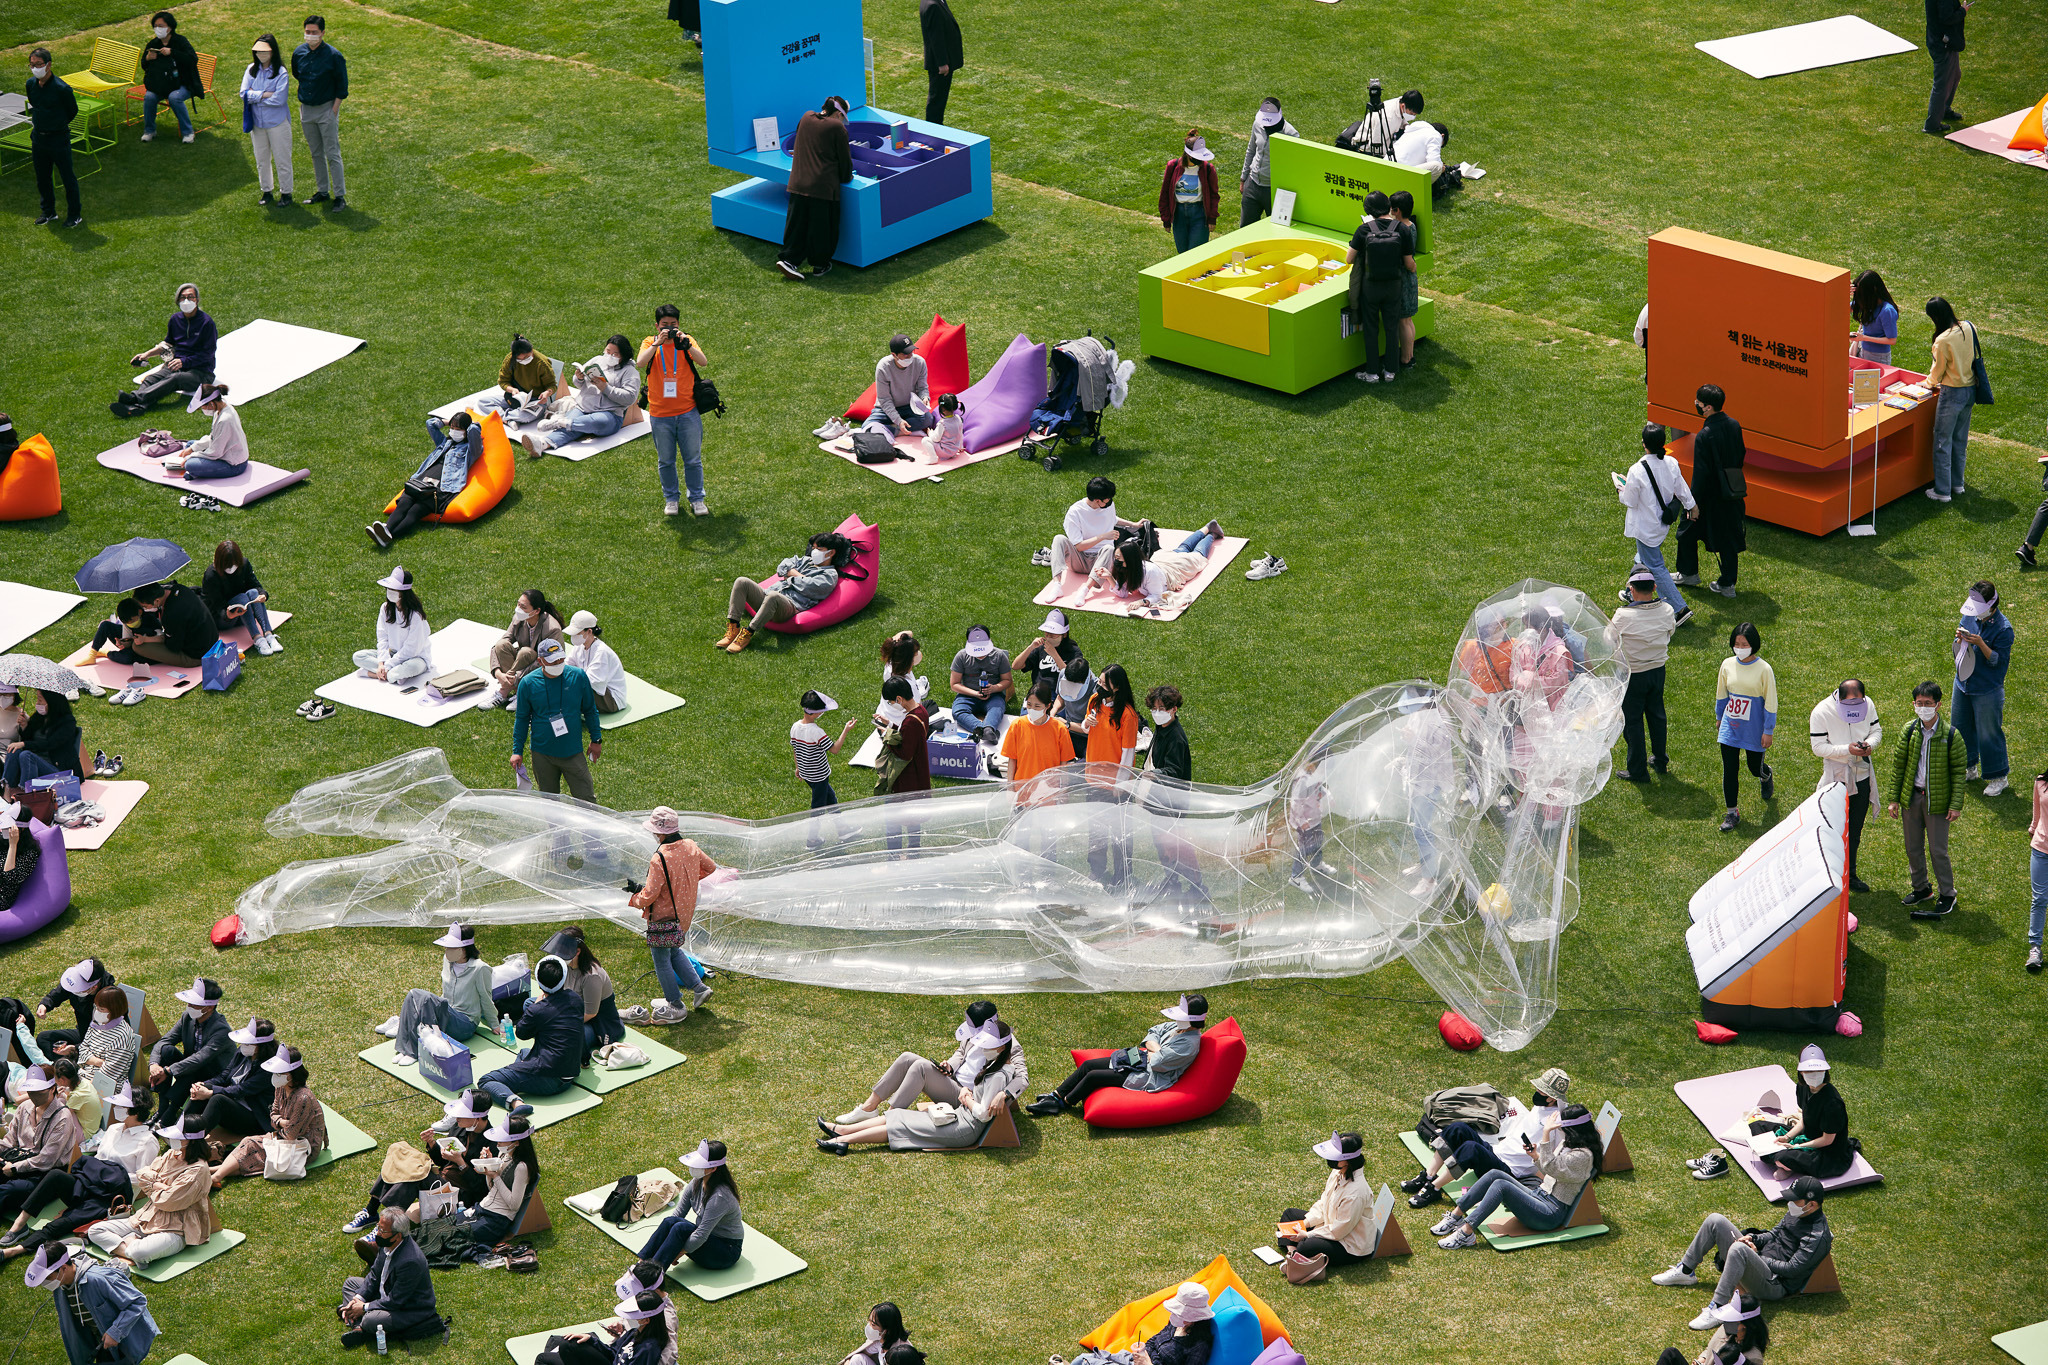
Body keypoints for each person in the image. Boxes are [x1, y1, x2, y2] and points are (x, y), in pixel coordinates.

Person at [818, 1018, 1025, 1153]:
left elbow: (983, 1114)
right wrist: (963, 1088)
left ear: (1002, 1046)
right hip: (961, 1114)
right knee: (898, 1116)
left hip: (964, 1127)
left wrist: (968, 1097)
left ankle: (843, 1142)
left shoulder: (999, 1074)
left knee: (900, 1125)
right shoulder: (995, 1062)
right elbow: (962, 1057)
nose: (982, 1048)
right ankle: (843, 1131)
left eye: (988, 1045)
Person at [1652, 1175, 1833, 1323]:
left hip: (1776, 1284)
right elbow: (1775, 1234)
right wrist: (1754, 1238)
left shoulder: (1817, 1236)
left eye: (1795, 1200)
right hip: (1760, 1260)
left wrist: (1758, 1256)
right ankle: (1686, 1270)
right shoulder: (1798, 1212)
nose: (1789, 1202)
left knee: (1739, 1249)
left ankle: (1717, 1307)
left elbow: (1792, 1270)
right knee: (1716, 1220)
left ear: (1812, 1205)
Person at [1430, 1102, 1604, 1249]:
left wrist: (1546, 1134)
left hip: (1550, 1213)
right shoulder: (1570, 1144)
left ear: (1573, 1129)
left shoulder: (1582, 1156)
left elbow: (1552, 1167)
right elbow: (1550, 1169)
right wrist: (1536, 1156)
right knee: (1494, 1174)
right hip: (1540, 1195)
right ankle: (1455, 1217)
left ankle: (1466, 1233)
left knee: (1501, 1186)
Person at [1403, 1067, 1574, 1209]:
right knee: (1457, 1128)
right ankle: (1428, 1175)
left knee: (1470, 1148)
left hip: (1508, 1170)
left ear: (1552, 1097)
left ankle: (1434, 1188)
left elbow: (1560, 1155)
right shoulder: (1541, 1105)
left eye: (1540, 1090)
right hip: (1497, 1152)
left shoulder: (1558, 1123)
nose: (1536, 1092)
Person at [1027, 994, 1206, 1117]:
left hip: (1152, 1075)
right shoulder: (1177, 1027)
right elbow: (1153, 1032)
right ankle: (1056, 1095)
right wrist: (1155, 1050)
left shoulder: (1188, 1044)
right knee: (1089, 1065)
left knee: (1094, 1076)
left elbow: (1159, 1064)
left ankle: (1062, 1104)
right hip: (1143, 1059)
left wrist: (1154, 1051)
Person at [89, 1106, 217, 1268]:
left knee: (139, 1252)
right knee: (95, 1230)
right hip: (146, 1217)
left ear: (191, 1140)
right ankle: (131, 1247)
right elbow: (143, 1173)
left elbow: (168, 1202)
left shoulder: (197, 1170)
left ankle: (132, 1248)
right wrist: (159, 1185)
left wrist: (153, 1185)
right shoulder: (172, 1154)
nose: (172, 1140)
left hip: (175, 1229)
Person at [622, 809, 717, 1025]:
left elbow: (650, 895)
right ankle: (699, 988)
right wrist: (687, 880)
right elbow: (710, 867)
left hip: (663, 918)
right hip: (683, 915)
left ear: (659, 832)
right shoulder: (691, 846)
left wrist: (635, 897)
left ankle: (675, 1004)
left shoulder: (660, 857)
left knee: (661, 959)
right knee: (674, 949)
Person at [1884, 681, 1966, 918]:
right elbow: (1899, 766)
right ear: (1913, 704)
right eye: (1919, 703)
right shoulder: (1909, 730)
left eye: (1928, 704)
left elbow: (1959, 772)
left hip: (1938, 802)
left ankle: (1947, 894)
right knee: (1913, 848)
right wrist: (1894, 799)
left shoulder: (1952, 735)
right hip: (1912, 798)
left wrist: (1955, 805)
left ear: (1938, 705)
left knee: (1938, 850)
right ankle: (1921, 889)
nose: (1923, 707)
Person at [715, 530, 856, 653]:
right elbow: (783, 565)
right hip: (768, 596)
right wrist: (796, 575)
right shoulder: (806, 561)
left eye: (819, 548)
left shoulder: (829, 575)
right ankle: (733, 627)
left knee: (773, 596)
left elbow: (809, 587)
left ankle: (747, 633)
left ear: (831, 553)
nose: (814, 551)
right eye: (813, 547)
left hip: (788, 607)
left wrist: (791, 576)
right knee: (742, 581)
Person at [23, 1241, 160, 1365]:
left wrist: (115, 1332)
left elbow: (137, 1302)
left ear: (63, 1268)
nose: (46, 1283)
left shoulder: (100, 1279)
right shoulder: (60, 1285)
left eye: (48, 1277)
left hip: (122, 1341)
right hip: (99, 1341)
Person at [479, 955, 582, 1116]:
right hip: (570, 1071)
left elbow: (521, 1033)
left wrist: (535, 1006)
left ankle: (516, 1103)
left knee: (486, 1080)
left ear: (539, 984)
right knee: (524, 1053)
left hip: (550, 1079)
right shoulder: (575, 999)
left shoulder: (537, 1009)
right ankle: (514, 1078)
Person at [384, 924, 499, 1065]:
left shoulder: (480, 968)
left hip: (465, 1024)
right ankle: (405, 1047)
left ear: (463, 949)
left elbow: (486, 998)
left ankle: (414, 1052)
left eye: (451, 948)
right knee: (412, 995)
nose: (446, 951)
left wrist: (495, 1024)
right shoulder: (448, 961)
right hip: (446, 1015)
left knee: (426, 998)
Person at [212, 1044, 325, 1187]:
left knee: (254, 1147)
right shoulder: (280, 1088)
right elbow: (273, 1115)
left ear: (291, 1074)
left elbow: (291, 1135)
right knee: (249, 1144)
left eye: (279, 1072)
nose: (275, 1075)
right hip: (285, 1134)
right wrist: (282, 1122)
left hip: (304, 1145)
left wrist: (279, 1124)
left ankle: (215, 1175)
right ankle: (214, 1173)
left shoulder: (303, 1098)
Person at [1619, 423, 1698, 624]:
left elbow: (1630, 500)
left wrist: (1621, 489)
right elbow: (1681, 489)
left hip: (1646, 527)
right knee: (1642, 558)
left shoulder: (1637, 470)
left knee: (1655, 566)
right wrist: (1692, 506)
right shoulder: (1671, 462)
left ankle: (1680, 609)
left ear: (1645, 444)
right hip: (1662, 524)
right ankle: (1632, 591)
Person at [637, 306, 711, 517]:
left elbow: (703, 362)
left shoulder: (686, 340)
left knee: (693, 460)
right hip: (660, 415)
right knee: (666, 461)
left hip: (688, 412)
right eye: (664, 326)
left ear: (679, 324)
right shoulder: (649, 342)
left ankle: (697, 499)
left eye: (673, 325)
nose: (669, 329)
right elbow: (641, 363)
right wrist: (657, 343)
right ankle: (671, 499)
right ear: (657, 326)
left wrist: (687, 346)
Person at [1607, 569, 1679, 783]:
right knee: (1657, 715)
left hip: (1634, 675)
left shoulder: (1623, 615)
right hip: (1658, 671)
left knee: (1633, 722)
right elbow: (1670, 632)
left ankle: (1638, 771)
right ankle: (1659, 759)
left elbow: (1608, 639)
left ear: (1632, 589)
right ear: (1654, 588)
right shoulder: (1667, 610)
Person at [1673, 384, 1745, 597]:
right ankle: (1727, 584)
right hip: (1731, 493)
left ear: (1708, 407)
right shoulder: (1734, 425)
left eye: (1699, 402)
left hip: (1707, 498)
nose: (1696, 404)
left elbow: (1701, 474)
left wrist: (1691, 503)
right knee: (1728, 539)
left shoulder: (1704, 435)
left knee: (1686, 532)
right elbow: (1740, 454)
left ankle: (1688, 573)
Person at [512, 639, 605, 802]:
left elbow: (590, 710)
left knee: (587, 800)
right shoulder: (527, 684)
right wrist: (517, 751)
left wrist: (596, 739)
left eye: (561, 659)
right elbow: (521, 719)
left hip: (572, 752)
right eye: (553, 661)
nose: (558, 663)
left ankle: (589, 829)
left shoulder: (578, 677)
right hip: (542, 755)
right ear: (540, 661)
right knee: (550, 804)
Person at [1809, 680, 1881, 891]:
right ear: (1839, 699)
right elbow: (1818, 747)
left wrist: (1869, 745)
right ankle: (1828, 875)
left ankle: (1850, 875)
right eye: (1849, 704)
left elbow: (1876, 731)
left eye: (1858, 703)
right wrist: (1847, 750)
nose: (1855, 708)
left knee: (1855, 831)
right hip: (1836, 779)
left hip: (1862, 775)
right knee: (1832, 830)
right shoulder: (1822, 711)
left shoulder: (1868, 705)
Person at [372, 413, 480, 546]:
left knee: (415, 511)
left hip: (442, 488)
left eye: (458, 429)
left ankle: (389, 535)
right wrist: (448, 422)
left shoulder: (471, 449)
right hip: (420, 481)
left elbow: (474, 430)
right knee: (404, 504)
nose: (454, 431)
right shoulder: (444, 442)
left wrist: (468, 423)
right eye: (452, 428)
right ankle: (386, 530)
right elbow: (431, 424)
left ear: (465, 430)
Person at [522, 337, 642, 457]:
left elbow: (630, 397)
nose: (609, 355)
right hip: (583, 407)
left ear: (624, 355)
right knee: (572, 426)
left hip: (609, 413)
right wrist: (578, 378)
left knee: (598, 422)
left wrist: (605, 388)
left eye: (614, 354)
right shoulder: (597, 360)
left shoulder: (630, 372)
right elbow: (579, 384)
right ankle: (542, 444)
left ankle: (559, 422)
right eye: (608, 351)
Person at [1276, 1132, 1375, 1275]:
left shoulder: (1356, 1193)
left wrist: (1308, 1235)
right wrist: (1306, 1223)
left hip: (1348, 1244)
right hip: (1330, 1226)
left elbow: (1339, 1230)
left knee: (1306, 1245)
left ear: (1347, 1161)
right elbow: (1324, 1203)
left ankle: (1298, 1255)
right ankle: (1293, 1256)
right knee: (1289, 1215)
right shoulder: (1338, 1172)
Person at [340, 1209, 440, 1349]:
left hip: (407, 1309)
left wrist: (363, 1307)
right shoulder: (387, 1244)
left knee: (370, 1320)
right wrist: (359, 1298)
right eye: (378, 1228)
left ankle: (359, 1322)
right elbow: (374, 1275)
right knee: (351, 1284)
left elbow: (396, 1301)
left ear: (397, 1236)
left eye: (382, 1230)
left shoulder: (410, 1261)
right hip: (387, 1293)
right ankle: (357, 1323)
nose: (378, 1233)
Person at [777, 95, 853, 279]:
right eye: (842, 117)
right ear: (837, 114)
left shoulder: (806, 117)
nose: (842, 121)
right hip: (823, 187)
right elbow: (845, 161)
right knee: (822, 228)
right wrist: (846, 177)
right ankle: (820, 265)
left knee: (797, 225)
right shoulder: (837, 128)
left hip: (798, 182)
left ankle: (790, 261)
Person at [636, 1140, 742, 1270]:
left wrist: (676, 1254)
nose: (694, 1167)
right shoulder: (697, 1182)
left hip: (726, 1252)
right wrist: (668, 1246)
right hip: (707, 1241)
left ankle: (651, 1275)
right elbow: (677, 1215)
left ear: (713, 1168)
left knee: (681, 1228)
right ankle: (640, 1264)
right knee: (670, 1221)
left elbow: (701, 1234)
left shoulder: (719, 1197)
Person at [1753, 1044, 1854, 1179]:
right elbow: (1804, 1119)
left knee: (1782, 1156)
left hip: (1825, 1151)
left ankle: (1784, 1163)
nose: (1814, 1075)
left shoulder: (1832, 1104)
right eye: (1809, 1072)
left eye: (1819, 1071)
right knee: (1756, 1125)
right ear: (1801, 1072)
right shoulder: (1803, 1087)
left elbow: (1827, 1140)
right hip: (1807, 1136)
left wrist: (1797, 1147)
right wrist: (1787, 1137)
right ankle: (1785, 1162)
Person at [113, 284, 215, 417]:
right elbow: (168, 344)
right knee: (150, 379)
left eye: (191, 297)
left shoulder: (207, 323)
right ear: (178, 301)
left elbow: (208, 354)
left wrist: (184, 362)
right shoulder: (175, 320)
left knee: (176, 378)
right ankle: (139, 407)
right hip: (176, 365)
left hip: (201, 372)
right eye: (183, 297)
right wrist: (147, 354)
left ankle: (134, 398)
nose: (186, 301)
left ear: (197, 300)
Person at [1714, 622, 1776, 833]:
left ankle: (1765, 775)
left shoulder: (1764, 669)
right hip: (1730, 726)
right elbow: (1722, 693)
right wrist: (1719, 717)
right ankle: (1732, 813)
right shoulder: (1727, 664)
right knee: (1730, 769)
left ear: (1754, 645)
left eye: (1744, 644)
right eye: (1736, 644)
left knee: (1753, 767)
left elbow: (1770, 702)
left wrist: (1768, 730)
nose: (1740, 648)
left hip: (1754, 728)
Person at [0, 1067, 84, 1221]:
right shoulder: (24, 1107)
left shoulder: (62, 1118)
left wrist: (14, 1168)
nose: (33, 1096)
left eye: (39, 1092)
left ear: (52, 1089)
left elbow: (46, 1160)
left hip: (44, 1174)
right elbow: (9, 1140)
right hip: (16, 1162)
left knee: (11, 1190)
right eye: (30, 1091)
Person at [1346, 192, 1413, 385]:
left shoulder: (1363, 230)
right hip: (1393, 286)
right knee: (1392, 328)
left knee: (1371, 329)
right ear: (1388, 206)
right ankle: (1391, 371)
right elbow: (1409, 263)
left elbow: (1349, 259)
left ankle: (1372, 373)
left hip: (1370, 287)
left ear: (1368, 211)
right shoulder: (1402, 229)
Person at [1951, 579, 2011, 794]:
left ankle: (1998, 777)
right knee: (1960, 726)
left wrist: (1981, 644)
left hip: (1987, 688)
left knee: (1988, 732)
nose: (1974, 613)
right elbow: (1958, 644)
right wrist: (1959, 640)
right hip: (1963, 682)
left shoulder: (2004, 629)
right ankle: (1969, 767)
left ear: (1991, 606)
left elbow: (1997, 662)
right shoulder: (1969, 614)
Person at [1098, 522, 1227, 614]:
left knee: (1197, 556)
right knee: (1182, 549)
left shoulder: (1149, 572)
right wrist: (1109, 577)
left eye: (1119, 558)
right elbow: (1123, 592)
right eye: (1116, 557)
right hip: (1161, 561)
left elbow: (1157, 595)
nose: (1116, 561)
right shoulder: (1124, 568)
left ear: (1130, 559)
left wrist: (1141, 602)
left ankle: (1211, 535)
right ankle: (1207, 527)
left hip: (1171, 573)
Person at [1072, 1283, 1215, 1365]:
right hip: (1137, 1361)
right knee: (1081, 1360)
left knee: (1087, 1363)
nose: (1173, 1315)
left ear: (1193, 1316)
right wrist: (1143, 1351)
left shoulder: (1199, 1346)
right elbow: (1154, 1340)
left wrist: (1149, 1364)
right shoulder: (1177, 1323)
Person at [148, 978, 230, 1120]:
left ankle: (170, 1112)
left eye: (194, 1004)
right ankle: (163, 1108)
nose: (189, 1006)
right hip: (191, 1066)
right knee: (167, 1050)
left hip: (211, 1074)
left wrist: (168, 1070)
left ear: (209, 1007)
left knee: (192, 1070)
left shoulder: (221, 1030)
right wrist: (154, 1065)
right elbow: (164, 1041)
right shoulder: (187, 1017)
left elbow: (201, 1059)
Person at [1924, 297, 1979, 501]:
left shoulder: (1942, 340)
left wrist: (1927, 384)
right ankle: (1958, 484)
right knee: (1959, 439)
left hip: (1952, 392)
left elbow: (1937, 373)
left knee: (1942, 440)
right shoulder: (1968, 326)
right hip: (1971, 389)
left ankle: (1942, 491)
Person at [453, 1114, 537, 1246]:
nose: (498, 1142)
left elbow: (514, 1204)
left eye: (503, 1139)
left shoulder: (521, 1167)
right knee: (444, 1225)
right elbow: (492, 1188)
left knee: (453, 1235)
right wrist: (489, 1165)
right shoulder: (503, 1154)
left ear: (516, 1142)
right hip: (482, 1208)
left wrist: (495, 1176)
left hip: (496, 1220)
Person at [188, 1016, 279, 1139]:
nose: (243, 1045)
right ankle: (183, 1126)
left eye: (248, 1043)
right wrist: (204, 1085)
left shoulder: (269, 1068)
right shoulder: (243, 1052)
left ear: (261, 1045)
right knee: (202, 1088)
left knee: (218, 1100)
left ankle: (193, 1139)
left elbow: (242, 1089)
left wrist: (210, 1093)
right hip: (234, 1103)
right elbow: (225, 1076)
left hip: (254, 1117)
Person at [545, 926, 625, 1062]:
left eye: (562, 951)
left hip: (596, 1023)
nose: (558, 954)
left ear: (577, 952)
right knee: (529, 1004)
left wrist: (561, 1023)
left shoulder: (591, 976)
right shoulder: (566, 966)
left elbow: (590, 1013)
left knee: (566, 1038)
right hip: (572, 1011)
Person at [293, 15, 348, 209]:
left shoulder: (334, 56)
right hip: (307, 111)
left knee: (332, 153)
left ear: (323, 33)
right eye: (307, 32)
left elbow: (342, 87)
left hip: (327, 110)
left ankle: (340, 196)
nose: (310, 36)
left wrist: (333, 111)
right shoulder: (299, 52)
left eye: (314, 33)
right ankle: (323, 191)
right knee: (316, 153)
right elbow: (297, 74)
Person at [25, 48, 83, 229]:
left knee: (67, 178)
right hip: (39, 139)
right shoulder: (31, 84)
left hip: (58, 140)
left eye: (38, 64)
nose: (35, 68)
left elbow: (72, 111)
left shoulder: (62, 88)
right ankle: (48, 211)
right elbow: (35, 104)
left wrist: (56, 124)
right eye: (32, 65)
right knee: (42, 178)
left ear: (48, 65)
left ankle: (74, 215)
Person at [537, 1288, 673, 1365]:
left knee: (545, 1358)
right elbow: (612, 1352)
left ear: (646, 1320)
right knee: (559, 1341)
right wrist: (590, 1339)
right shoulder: (634, 1333)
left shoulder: (648, 1348)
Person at [349, 567, 432, 687]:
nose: (389, 591)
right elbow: (382, 637)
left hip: (415, 659)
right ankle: (387, 674)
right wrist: (382, 663)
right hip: (392, 655)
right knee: (358, 657)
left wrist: (388, 665)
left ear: (403, 593)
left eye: (394, 589)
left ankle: (372, 674)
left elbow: (411, 649)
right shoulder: (385, 608)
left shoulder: (415, 615)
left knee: (398, 672)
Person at [484, 589, 566, 708]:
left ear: (536, 611)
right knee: (502, 645)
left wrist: (517, 676)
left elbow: (549, 661)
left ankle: (513, 691)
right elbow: (498, 646)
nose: (518, 609)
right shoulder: (518, 619)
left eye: (523, 607)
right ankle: (511, 688)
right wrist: (498, 673)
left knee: (525, 652)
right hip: (523, 664)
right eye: (518, 604)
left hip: (542, 666)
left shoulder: (552, 629)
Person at [201, 539, 282, 656]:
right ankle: (258, 638)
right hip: (222, 618)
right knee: (242, 597)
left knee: (254, 593)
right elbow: (216, 606)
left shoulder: (244, 564)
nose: (230, 569)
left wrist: (263, 595)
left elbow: (255, 585)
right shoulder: (211, 576)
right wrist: (228, 615)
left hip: (243, 613)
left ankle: (268, 634)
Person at [1049, 477, 1141, 580]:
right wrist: (1103, 536)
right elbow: (1079, 547)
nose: (1109, 502)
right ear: (1097, 501)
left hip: (1103, 560)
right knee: (1059, 539)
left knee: (1109, 548)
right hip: (1080, 560)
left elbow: (1112, 518)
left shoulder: (1108, 506)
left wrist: (1134, 525)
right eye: (1107, 501)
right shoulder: (1075, 512)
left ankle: (1087, 587)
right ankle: (1057, 583)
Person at [59, 987, 139, 1101]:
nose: (97, 1011)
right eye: (96, 1007)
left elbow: (108, 1076)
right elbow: (83, 1048)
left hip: (104, 1089)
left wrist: (76, 1089)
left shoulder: (122, 1036)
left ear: (114, 1010)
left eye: (101, 1009)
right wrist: (98, 1061)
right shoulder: (98, 1023)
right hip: (83, 1076)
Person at [242, 34, 293, 203]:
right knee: (261, 159)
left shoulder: (281, 72)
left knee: (282, 159)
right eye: (257, 52)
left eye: (264, 52)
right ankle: (267, 191)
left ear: (273, 52)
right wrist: (266, 95)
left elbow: (279, 99)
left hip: (277, 123)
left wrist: (255, 95)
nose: (260, 55)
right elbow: (244, 94)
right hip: (258, 124)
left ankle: (286, 193)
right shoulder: (251, 70)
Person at [1, 689, 82, 796]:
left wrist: (24, 744)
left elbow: (50, 744)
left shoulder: (67, 722)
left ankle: (26, 795)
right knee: (14, 750)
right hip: (34, 764)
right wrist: (25, 726)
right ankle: (5, 789)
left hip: (56, 769)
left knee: (26, 755)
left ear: (51, 701)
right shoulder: (39, 717)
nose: (37, 704)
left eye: (40, 699)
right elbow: (29, 738)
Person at [31, 958, 116, 1058]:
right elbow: (59, 993)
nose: (74, 992)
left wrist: (76, 1049)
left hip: (99, 1044)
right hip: (82, 1032)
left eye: (78, 989)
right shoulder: (79, 984)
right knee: (43, 1038)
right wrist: (44, 1004)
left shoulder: (110, 999)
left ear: (94, 987)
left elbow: (107, 1040)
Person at [791, 690, 860, 812]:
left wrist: (798, 768)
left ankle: (841, 827)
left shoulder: (795, 727)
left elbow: (795, 749)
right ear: (817, 713)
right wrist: (846, 730)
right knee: (818, 808)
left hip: (807, 774)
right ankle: (814, 831)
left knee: (831, 800)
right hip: (819, 776)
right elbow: (834, 749)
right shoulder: (817, 732)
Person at [138, 12, 202, 144]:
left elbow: (192, 60)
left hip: (183, 84)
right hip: (161, 85)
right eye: (155, 26)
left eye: (161, 26)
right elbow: (145, 66)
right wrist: (148, 59)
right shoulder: (153, 43)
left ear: (170, 27)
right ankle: (149, 131)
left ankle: (188, 132)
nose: (158, 29)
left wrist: (172, 52)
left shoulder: (180, 41)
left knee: (174, 97)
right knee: (149, 97)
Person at [1653, 1295, 1769, 1365]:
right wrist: (1702, 1358)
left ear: (1745, 1325)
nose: (1726, 1323)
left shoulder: (1753, 1357)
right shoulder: (1726, 1328)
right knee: (1670, 1353)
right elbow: (1710, 1348)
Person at [127, 579, 217, 668]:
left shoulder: (171, 614)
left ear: (157, 601)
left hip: (198, 656)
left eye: (145, 606)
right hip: (212, 641)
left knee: (137, 647)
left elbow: (173, 647)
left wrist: (146, 639)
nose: (145, 609)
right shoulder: (180, 588)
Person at [1000, 679, 1074, 785]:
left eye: (1037, 706)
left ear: (1048, 706)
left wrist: (1063, 790)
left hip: (1049, 790)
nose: (1032, 709)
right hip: (1022, 787)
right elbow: (1012, 760)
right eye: (1029, 705)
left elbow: (1064, 764)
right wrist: (1010, 787)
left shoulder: (1060, 729)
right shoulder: (1017, 725)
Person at [1158, 131, 1220, 253]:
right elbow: (1164, 193)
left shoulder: (1208, 168)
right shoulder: (1172, 166)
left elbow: (1214, 195)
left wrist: (1212, 218)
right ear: (1189, 154)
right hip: (1178, 215)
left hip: (1199, 215)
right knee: (1183, 254)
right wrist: (1166, 219)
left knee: (1195, 254)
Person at [948, 625, 1012, 742]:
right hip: (967, 695)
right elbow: (954, 684)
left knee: (997, 709)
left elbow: (1007, 680)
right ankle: (985, 729)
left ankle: (987, 729)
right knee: (958, 711)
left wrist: (993, 688)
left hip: (994, 695)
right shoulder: (961, 656)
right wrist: (975, 693)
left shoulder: (999, 656)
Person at [1238, 98, 1295, 227]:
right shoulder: (1257, 124)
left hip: (1275, 191)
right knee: (1245, 230)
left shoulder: (1291, 134)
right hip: (1252, 184)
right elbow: (1251, 150)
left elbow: (1294, 167)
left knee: (1275, 232)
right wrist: (1243, 178)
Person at [561, 611, 629, 715]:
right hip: (594, 690)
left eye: (577, 633)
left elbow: (591, 682)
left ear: (589, 632)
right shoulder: (579, 647)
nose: (573, 636)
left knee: (569, 689)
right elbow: (566, 666)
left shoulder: (601, 652)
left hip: (611, 700)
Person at [871, 333, 937, 436]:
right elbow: (884, 399)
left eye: (911, 351)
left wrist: (924, 398)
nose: (910, 355)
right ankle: (899, 428)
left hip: (909, 406)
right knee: (868, 426)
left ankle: (892, 430)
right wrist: (898, 420)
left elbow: (922, 388)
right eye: (906, 354)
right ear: (894, 355)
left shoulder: (920, 363)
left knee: (928, 419)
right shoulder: (883, 367)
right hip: (886, 409)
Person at [482, 335, 556, 423]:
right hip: (516, 398)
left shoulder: (542, 364)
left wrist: (547, 393)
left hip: (535, 401)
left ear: (531, 350)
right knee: (483, 402)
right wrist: (512, 390)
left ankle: (504, 417)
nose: (523, 361)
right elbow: (503, 381)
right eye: (519, 359)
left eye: (526, 357)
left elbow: (552, 385)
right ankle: (509, 419)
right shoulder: (510, 360)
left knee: (524, 417)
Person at [1388, 189, 1424, 369]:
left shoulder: (1402, 231)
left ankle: (1405, 359)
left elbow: (1407, 261)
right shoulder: (1412, 225)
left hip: (1402, 279)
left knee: (1403, 320)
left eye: (1391, 209)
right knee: (1408, 319)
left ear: (1397, 211)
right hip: (1410, 279)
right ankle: (1409, 356)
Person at [1923, 0, 1969, 135]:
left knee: (1955, 75)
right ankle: (1932, 125)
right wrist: (1962, 11)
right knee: (1943, 84)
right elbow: (1946, 17)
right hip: (1943, 44)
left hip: (1942, 41)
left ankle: (1943, 110)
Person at [1012, 609, 1082, 689]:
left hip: (1060, 694)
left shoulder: (1074, 651)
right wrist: (1030, 647)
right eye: (1047, 632)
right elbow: (1015, 666)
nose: (1049, 635)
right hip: (1039, 693)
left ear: (1064, 634)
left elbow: (1072, 678)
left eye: (1053, 633)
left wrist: (1054, 655)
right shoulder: (1040, 648)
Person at [920, 0, 963, 123]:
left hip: (941, 61)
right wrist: (942, 63)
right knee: (937, 101)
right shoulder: (933, 5)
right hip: (940, 64)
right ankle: (934, 130)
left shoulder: (934, 2)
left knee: (938, 99)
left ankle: (935, 129)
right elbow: (936, 36)